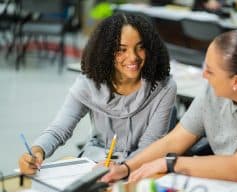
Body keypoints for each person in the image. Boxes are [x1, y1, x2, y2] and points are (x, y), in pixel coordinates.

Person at [101, 30, 237, 190]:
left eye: (210, 70)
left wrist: (170, 163)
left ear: (236, 82)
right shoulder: (214, 93)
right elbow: (175, 140)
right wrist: (127, 167)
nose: (203, 75)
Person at [18, 13, 177, 175]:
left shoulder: (164, 87)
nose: (133, 57)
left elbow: (150, 145)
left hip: (141, 165)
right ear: (106, 51)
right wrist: (37, 150)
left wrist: (122, 167)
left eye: (140, 47)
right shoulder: (88, 83)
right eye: (121, 49)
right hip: (95, 162)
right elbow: (60, 128)